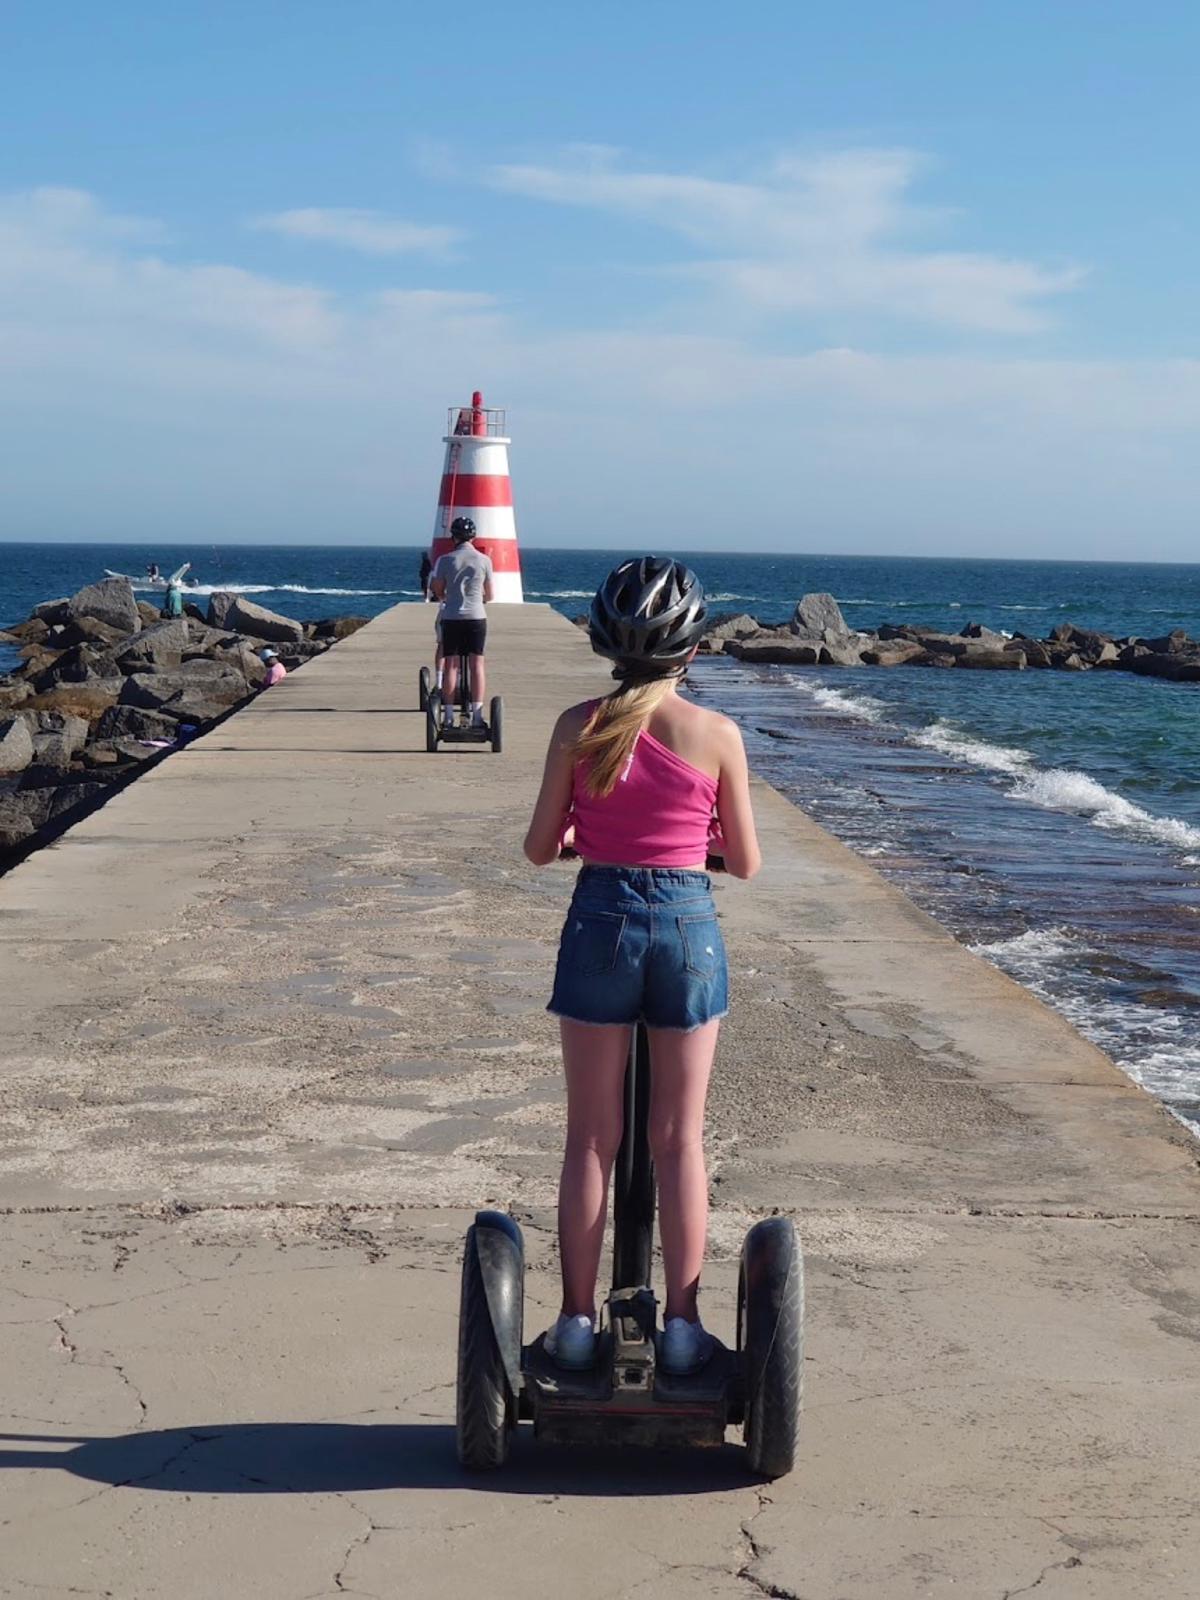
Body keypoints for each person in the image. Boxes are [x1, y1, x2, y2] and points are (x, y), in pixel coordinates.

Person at [523, 556, 761, 1376]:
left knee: (591, 1138)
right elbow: (747, 859)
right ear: (691, 651)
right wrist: (700, 850)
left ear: (604, 646)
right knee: (678, 1139)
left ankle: (578, 1322)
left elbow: (537, 846)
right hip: (688, 928)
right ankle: (686, 1326)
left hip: (600, 923)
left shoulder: (575, 726)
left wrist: (587, 835)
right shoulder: (717, 735)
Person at [430, 516, 494, 727]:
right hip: (476, 617)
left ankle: (448, 716)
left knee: (451, 665)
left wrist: (447, 597)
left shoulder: (445, 560)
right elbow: (490, 595)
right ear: (473, 537)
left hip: (452, 617)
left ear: (454, 537)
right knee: (477, 665)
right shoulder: (484, 560)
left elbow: (438, 589)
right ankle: (476, 715)